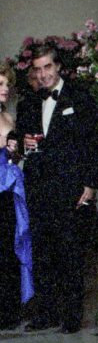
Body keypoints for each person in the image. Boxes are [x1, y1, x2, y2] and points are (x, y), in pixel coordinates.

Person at [15, 42, 98, 333]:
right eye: (38, 69)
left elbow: (92, 143)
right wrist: (22, 143)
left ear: (58, 66)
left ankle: (72, 315)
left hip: (70, 187)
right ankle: (45, 313)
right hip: (38, 187)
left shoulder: (80, 98)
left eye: (47, 67)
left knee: (70, 250)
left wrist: (90, 184)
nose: (43, 74)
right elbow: (20, 143)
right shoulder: (27, 103)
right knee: (43, 251)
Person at [1, 64, 32, 329]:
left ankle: (9, 309)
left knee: (11, 245)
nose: (5, 89)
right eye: (0, 84)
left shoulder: (9, 117)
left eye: (7, 84)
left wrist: (18, 150)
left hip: (11, 189)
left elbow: (15, 155)